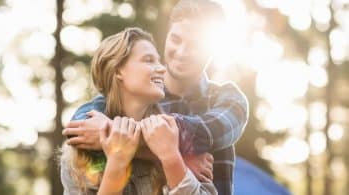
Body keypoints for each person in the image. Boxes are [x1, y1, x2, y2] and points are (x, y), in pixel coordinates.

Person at [64, 0, 249, 194]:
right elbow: (80, 126)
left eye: (195, 45)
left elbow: (199, 134)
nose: (182, 52)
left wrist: (114, 133)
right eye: (176, 39)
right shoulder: (141, 93)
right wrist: (174, 157)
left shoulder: (228, 99)